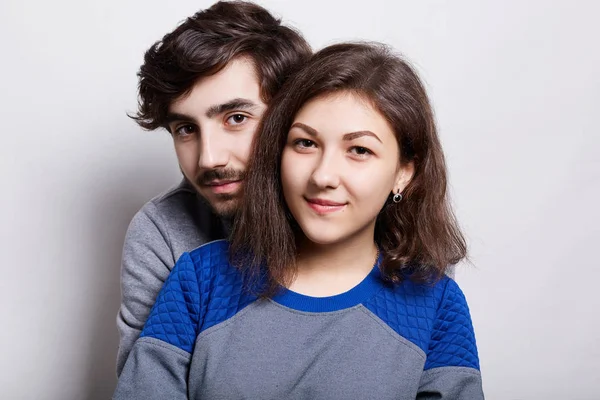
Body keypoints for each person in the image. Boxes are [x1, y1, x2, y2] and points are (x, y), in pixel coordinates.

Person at [114, 42, 484, 399]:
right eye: (305, 143)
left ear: (405, 172)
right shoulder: (197, 275)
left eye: (359, 149)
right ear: (278, 147)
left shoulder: (435, 301)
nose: (323, 175)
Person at [115, 0, 311, 375]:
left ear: (293, 114)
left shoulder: (364, 208)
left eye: (236, 118)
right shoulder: (162, 229)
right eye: (185, 129)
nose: (208, 159)